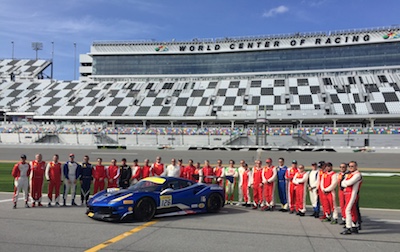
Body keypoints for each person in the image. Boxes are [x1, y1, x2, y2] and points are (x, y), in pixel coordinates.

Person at [340, 161, 363, 235]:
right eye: (349, 166)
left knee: (347, 210)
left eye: (352, 166)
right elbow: (342, 182)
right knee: (352, 211)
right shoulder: (349, 174)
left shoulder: (357, 175)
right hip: (347, 194)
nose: (350, 167)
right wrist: (345, 182)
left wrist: (345, 183)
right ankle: (354, 226)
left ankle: (348, 227)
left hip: (352, 194)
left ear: (356, 166)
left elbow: (348, 183)